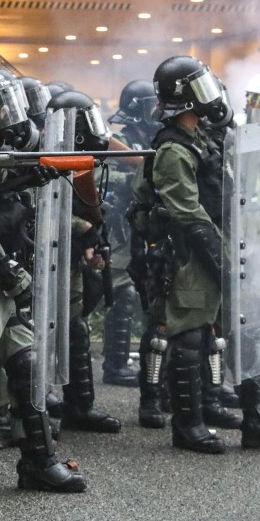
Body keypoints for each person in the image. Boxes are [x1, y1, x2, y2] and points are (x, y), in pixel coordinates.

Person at [0, 69, 87, 499]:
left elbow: (14, 218)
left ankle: (39, 461)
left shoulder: (2, 153)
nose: (9, 117)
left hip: (8, 283)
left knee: (29, 367)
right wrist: (17, 279)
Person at [143, 55, 235, 454]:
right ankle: (187, 426)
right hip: (187, 252)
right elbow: (186, 212)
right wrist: (218, 259)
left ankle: (203, 411)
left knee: (206, 331)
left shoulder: (196, 138)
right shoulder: (174, 149)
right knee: (188, 334)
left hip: (205, 244)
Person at [47, 90, 122, 434]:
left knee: (75, 327)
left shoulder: (75, 158)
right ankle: (27, 413)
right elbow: (43, 209)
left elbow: (83, 205)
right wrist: (85, 231)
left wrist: (93, 237)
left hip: (68, 256)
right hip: (43, 257)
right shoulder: (44, 158)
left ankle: (79, 405)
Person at [100, 80, 160, 387]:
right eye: (152, 105)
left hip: (147, 229)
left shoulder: (156, 137)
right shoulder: (122, 138)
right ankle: (115, 366)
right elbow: (106, 167)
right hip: (120, 230)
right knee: (122, 295)